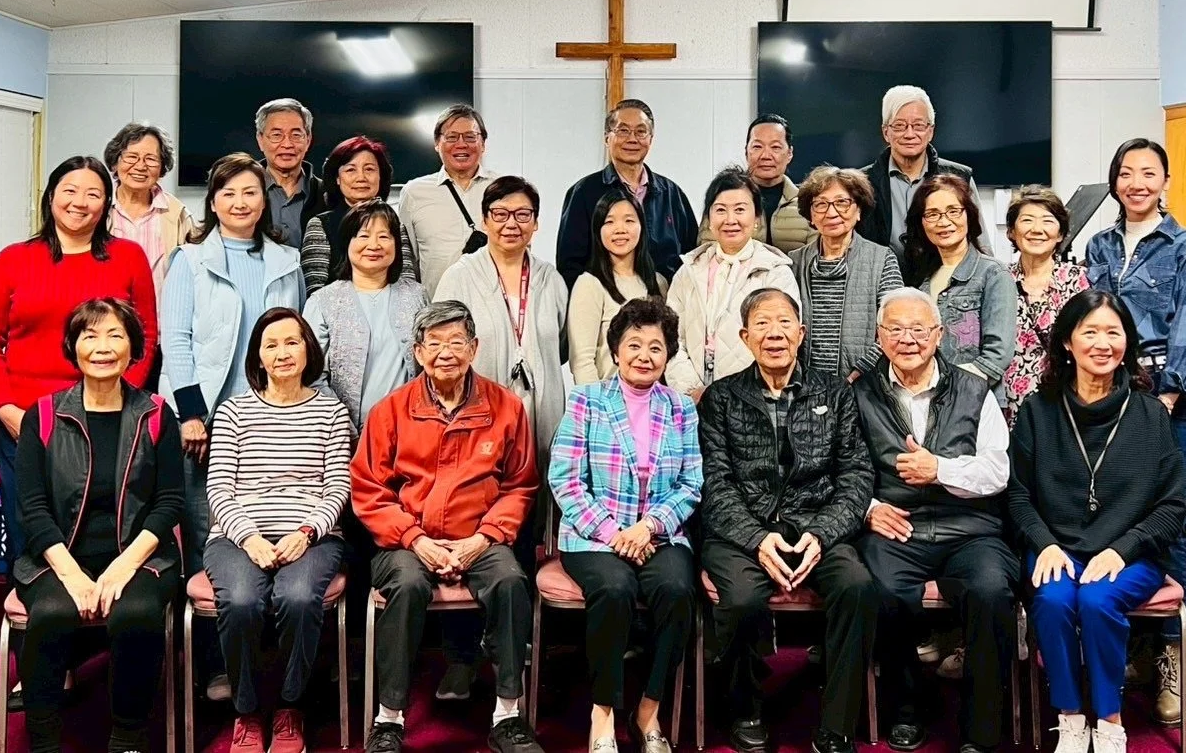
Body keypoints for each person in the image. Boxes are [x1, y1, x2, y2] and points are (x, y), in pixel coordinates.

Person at [352, 301, 545, 753]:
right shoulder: (391, 410)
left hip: (481, 535)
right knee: (405, 584)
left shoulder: (506, 407)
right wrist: (416, 540)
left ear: (474, 348)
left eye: (457, 341)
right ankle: (389, 719)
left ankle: (508, 714)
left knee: (512, 581)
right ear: (418, 352)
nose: (446, 352)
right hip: (407, 538)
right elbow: (368, 489)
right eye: (434, 343)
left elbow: (520, 486)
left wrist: (483, 539)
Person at [697, 288, 878, 753]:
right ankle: (745, 709)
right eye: (761, 323)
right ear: (744, 336)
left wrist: (823, 532)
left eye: (783, 323)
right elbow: (715, 483)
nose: (773, 333)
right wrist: (758, 539)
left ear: (801, 333)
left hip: (817, 525)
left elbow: (856, 475)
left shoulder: (835, 393)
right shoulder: (720, 398)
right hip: (742, 531)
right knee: (738, 600)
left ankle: (837, 724)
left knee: (856, 585)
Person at [1009, 290, 1186, 753]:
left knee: (1097, 599)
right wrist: (1044, 543)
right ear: (1067, 343)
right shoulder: (1036, 411)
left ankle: (1108, 721)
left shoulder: (1151, 416)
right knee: (1050, 600)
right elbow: (1018, 494)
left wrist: (1122, 548)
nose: (1102, 343)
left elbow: (1171, 508)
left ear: (1128, 342)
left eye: (1114, 332)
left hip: (1130, 551)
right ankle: (1070, 716)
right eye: (1090, 332)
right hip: (1056, 547)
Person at [12, 298, 182, 753]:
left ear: (133, 348)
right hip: (59, 557)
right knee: (50, 613)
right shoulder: (44, 415)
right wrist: (72, 575)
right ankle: (44, 741)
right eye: (90, 336)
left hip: (139, 556)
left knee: (137, 614)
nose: (102, 347)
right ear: (73, 346)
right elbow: (32, 506)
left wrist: (122, 568)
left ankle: (127, 738)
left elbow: (169, 503)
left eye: (115, 335)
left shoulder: (156, 413)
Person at [0, 155, 158, 568]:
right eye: (70, 191)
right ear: (51, 197)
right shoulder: (14, 259)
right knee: (32, 536)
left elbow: (145, 337)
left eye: (93, 193)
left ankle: (107, 614)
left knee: (103, 532)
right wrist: (7, 411)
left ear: (106, 203)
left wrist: (125, 402)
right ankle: (39, 621)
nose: (80, 202)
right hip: (23, 421)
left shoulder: (128, 257)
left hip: (106, 417)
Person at [1084, 138, 1186, 725]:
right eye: (1126, 173)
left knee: (1168, 521)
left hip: (1175, 398)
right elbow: (1093, 318)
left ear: (1166, 181)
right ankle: (1134, 644)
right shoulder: (1100, 243)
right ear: (1114, 181)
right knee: (1120, 515)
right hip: (1118, 394)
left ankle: (1169, 656)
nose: (1137, 182)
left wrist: (1162, 400)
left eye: (1148, 173)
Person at [855, 288, 1019, 753]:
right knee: (882, 591)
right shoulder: (860, 392)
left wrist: (939, 469)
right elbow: (842, 468)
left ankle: (982, 725)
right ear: (880, 336)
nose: (908, 339)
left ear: (939, 334)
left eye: (919, 329)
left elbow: (997, 470)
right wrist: (869, 509)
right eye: (896, 329)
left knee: (991, 591)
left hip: (967, 527)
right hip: (893, 523)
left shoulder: (973, 388)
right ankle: (906, 709)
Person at [549, 296, 699, 753]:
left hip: (658, 533)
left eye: (656, 347)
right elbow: (566, 480)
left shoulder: (680, 408)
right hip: (593, 536)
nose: (644, 356)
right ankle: (604, 713)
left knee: (676, 590)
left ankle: (648, 709)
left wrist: (648, 526)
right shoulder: (586, 400)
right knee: (613, 590)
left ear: (668, 355)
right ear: (615, 350)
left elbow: (691, 484)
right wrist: (615, 532)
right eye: (634, 344)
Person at [203, 307, 354, 753]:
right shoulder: (233, 411)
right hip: (236, 536)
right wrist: (248, 537)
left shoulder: (331, 411)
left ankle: (291, 707)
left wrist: (306, 532)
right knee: (243, 599)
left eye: (293, 342)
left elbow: (338, 486)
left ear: (309, 350)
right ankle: (247, 711)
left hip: (311, 535)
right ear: (258, 357)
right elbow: (219, 487)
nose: (283, 352)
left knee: (299, 596)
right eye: (271, 344)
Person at [160, 152, 305, 575]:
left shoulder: (288, 261)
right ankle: (207, 631)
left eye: (250, 192)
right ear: (213, 202)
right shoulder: (188, 260)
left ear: (265, 201)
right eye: (229, 193)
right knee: (207, 526)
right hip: (204, 417)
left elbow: (297, 338)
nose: (240, 202)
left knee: (268, 524)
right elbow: (177, 341)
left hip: (271, 415)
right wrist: (190, 414)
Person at [436, 175, 570, 466]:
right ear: (485, 220)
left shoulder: (551, 280)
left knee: (541, 485)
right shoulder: (459, 277)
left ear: (535, 223)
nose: (512, 224)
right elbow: (440, 349)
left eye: (523, 215)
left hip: (542, 412)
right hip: (478, 409)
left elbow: (560, 346)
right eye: (500, 214)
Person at [664, 167, 799, 400]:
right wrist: (691, 390)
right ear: (708, 218)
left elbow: (782, 340)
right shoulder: (688, 270)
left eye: (740, 210)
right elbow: (670, 337)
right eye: (720, 210)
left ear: (757, 218)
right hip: (692, 400)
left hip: (752, 400)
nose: (730, 220)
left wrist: (738, 395)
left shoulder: (775, 272)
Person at [304, 200, 429, 430]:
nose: (374, 245)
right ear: (347, 243)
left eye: (384, 237)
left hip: (410, 430)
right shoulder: (323, 302)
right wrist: (345, 428)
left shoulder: (417, 296)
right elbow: (312, 375)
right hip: (341, 434)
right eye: (363, 236)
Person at [556, 99, 699, 288]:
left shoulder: (671, 193)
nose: (632, 139)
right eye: (623, 130)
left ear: (651, 139)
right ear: (607, 138)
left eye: (641, 131)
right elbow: (569, 265)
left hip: (666, 304)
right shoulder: (583, 192)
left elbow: (693, 258)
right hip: (607, 306)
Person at [902, 175, 1017, 400]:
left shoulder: (993, 274)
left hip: (975, 401)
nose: (944, 222)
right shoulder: (918, 277)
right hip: (924, 400)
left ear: (969, 215)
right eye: (932, 214)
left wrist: (949, 391)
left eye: (953, 211)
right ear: (921, 222)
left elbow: (998, 355)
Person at [788, 165, 902, 381]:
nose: (831, 213)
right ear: (810, 215)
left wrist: (857, 374)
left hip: (866, 384)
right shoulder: (794, 262)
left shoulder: (882, 259)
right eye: (820, 204)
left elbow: (894, 327)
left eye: (842, 202)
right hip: (804, 386)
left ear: (858, 210)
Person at [859, 86, 982, 267]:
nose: (910, 134)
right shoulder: (862, 183)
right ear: (886, 132)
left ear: (930, 131)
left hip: (945, 283)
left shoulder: (960, 177)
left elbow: (979, 242)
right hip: (881, 285)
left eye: (918, 126)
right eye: (900, 126)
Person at [1003, 187, 1089, 421]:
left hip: (1065, 404)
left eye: (1048, 221)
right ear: (1011, 231)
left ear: (1061, 234)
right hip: (1008, 406)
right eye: (1027, 220)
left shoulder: (1077, 280)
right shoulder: (998, 280)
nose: (1037, 229)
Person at [567, 188, 667, 385]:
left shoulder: (659, 283)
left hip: (653, 402)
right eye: (609, 221)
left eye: (629, 220)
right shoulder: (589, 284)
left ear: (641, 227)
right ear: (598, 230)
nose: (620, 229)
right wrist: (596, 407)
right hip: (607, 403)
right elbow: (582, 361)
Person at [396, 105, 498, 296]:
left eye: (470, 137)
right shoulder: (414, 192)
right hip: (437, 310)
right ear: (437, 143)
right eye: (451, 137)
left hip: (495, 305)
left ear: (483, 143)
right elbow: (408, 261)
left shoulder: (503, 188)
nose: (461, 144)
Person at [301, 135, 418, 296]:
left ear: (380, 176)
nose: (361, 178)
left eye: (369, 169)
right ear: (337, 178)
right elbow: (314, 291)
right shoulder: (320, 224)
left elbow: (408, 284)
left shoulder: (395, 224)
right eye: (351, 170)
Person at [104, 122, 196, 301]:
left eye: (151, 159)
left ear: (162, 167)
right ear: (115, 162)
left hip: (163, 324)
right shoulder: (98, 210)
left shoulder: (178, 215)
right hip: (106, 324)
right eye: (131, 157)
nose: (140, 166)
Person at [699, 114, 815, 252]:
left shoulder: (807, 201)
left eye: (775, 147)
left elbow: (816, 255)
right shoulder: (722, 198)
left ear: (789, 153)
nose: (766, 156)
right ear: (746, 152)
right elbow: (706, 250)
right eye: (757, 146)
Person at [255, 98, 322, 248]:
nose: (287, 144)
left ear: (308, 140)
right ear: (260, 140)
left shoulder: (329, 195)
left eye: (296, 135)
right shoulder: (242, 193)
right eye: (277, 135)